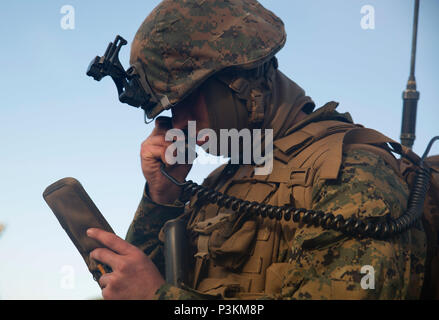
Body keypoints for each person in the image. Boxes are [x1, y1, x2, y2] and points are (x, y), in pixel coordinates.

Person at [86, 0, 427, 299]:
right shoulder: (220, 184)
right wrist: (161, 199)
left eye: (186, 102)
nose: (180, 123)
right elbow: (143, 281)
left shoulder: (354, 172)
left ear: (241, 83)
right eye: (171, 111)